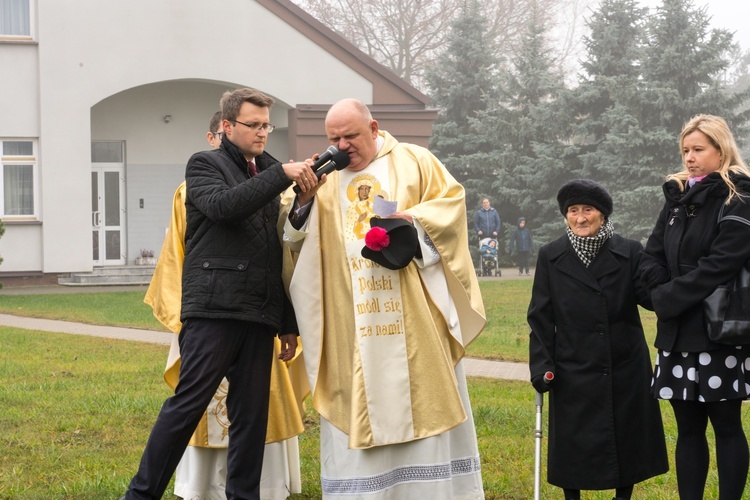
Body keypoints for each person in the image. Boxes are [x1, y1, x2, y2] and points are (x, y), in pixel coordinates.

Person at [280, 98, 486, 498]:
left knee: (424, 396)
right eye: (334, 138)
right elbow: (290, 238)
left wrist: (408, 222)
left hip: (415, 315)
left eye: (351, 136)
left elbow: (451, 209)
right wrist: (304, 200)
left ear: (373, 129)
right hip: (348, 320)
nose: (342, 147)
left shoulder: (415, 161)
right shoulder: (322, 176)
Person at [122, 87, 319, 500]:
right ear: (227, 126)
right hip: (213, 311)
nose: (263, 132)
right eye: (254, 124)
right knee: (186, 408)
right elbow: (225, 206)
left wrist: (286, 323)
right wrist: (280, 174)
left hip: (258, 315)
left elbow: (273, 253)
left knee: (250, 420)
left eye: (268, 125)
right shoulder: (204, 164)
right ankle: (139, 496)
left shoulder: (266, 172)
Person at [528, 179, 668, 500]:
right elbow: (540, 318)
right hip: (572, 366)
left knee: (625, 440)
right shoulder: (551, 256)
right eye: (573, 211)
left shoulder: (629, 251)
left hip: (624, 365)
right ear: (565, 216)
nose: (579, 218)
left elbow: (650, 298)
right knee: (573, 441)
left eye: (587, 210)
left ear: (602, 215)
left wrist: (662, 272)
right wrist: (542, 365)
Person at [639, 114, 750, 500]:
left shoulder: (739, 198)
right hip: (676, 333)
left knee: (726, 427)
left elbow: (720, 265)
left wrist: (667, 298)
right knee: (687, 430)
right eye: (685, 150)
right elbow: (651, 255)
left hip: (717, 333)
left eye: (698, 150)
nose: (689, 158)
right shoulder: (676, 199)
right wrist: (657, 290)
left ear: (721, 151)